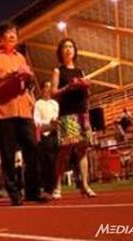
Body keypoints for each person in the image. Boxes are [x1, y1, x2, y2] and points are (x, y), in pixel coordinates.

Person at [0, 21, 46, 206]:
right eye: (8, 33)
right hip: (5, 110)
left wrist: (28, 77)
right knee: (8, 154)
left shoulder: (21, 58)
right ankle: (14, 192)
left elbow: (27, 84)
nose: (12, 35)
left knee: (32, 148)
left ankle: (33, 190)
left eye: (14, 32)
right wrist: (3, 77)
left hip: (24, 109)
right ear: (1, 37)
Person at [51, 38, 96, 198]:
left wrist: (86, 85)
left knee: (83, 150)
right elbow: (53, 93)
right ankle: (57, 187)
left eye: (71, 46)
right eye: (65, 47)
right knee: (65, 151)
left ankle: (84, 185)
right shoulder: (58, 71)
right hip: (67, 114)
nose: (68, 49)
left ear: (75, 51)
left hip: (82, 112)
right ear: (60, 51)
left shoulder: (80, 71)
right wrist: (69, 86)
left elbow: (87, 95)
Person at [33, 81, 60, 199]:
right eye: (46, 88)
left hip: (54, 134)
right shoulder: (38, 103)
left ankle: (54, 187)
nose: (48, 91)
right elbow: (36, 119)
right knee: (45, 162)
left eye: (50, 88)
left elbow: (56, 115)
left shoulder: (54, 103)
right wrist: (46, 125)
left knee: (54, 161)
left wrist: (54, 123)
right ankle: (47, 188)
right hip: (44, 134)